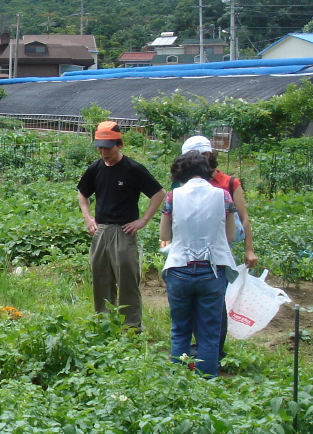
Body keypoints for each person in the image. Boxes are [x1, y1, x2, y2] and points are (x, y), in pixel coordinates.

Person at [77, 121, 165, 329]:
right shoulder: (95, 168)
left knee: (127, 281)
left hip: (123, 231)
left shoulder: (133, 169)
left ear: (119, 145)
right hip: (101, 231)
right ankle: (104, 322)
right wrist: (88, 218)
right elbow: (82, 193)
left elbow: (159, 193)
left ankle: (131, 326)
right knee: (101, 279)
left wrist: (143, 220)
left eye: (108, 148)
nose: (103, 152)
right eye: (100, 148)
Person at [159, 152, 237, 376]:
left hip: (179, 269)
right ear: (206, 171)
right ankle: (207, 382)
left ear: (179, 174)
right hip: (212, 270)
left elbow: (165, 234)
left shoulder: (173, 196)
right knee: (209, 333)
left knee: (180, 330)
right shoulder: (223, 196)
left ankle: (179, 380)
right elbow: (230, 235)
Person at [180, 135, 257, 269]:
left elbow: (244, 217)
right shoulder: (185, 183)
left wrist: (249, 250)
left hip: (221, 252)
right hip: (189, 252)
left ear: (207, 155)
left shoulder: (229, 183)